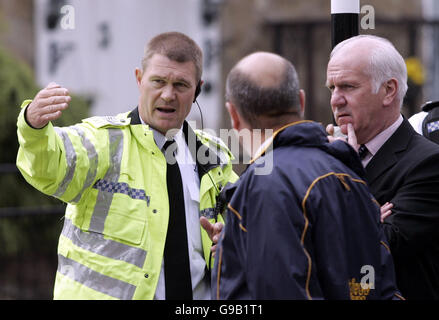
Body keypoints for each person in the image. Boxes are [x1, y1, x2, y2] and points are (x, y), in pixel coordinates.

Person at [16, 32, 238, 300]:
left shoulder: (213, 156)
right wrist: (34, 127)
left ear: (197, 90)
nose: (168, 94)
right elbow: (49, 169)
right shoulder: (104, 140)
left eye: (181, 85)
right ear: (139, 79)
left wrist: (230, 238)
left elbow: (245, 223)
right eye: (158, 81)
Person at [212, 51, 402, 300]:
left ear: (233, 116)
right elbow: (381, 287)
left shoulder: (265, 184)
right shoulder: (350, 174)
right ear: (301, 102)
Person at [326, 35, 439, 300]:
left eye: (348, 87)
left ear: (388, 90)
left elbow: (383, 247)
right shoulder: (323, 157)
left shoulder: (428, 163)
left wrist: (348, 178)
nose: (335, 100)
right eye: (331, 88)